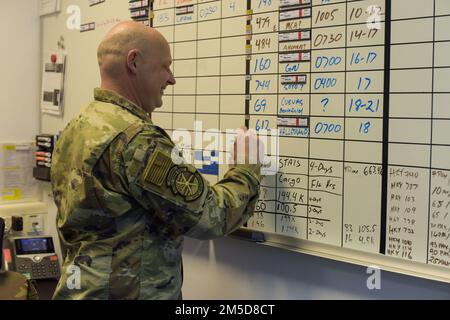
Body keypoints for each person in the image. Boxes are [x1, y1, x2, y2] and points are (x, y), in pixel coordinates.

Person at [50, 21, 263, 300]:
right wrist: (246, 167)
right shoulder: (137, 140)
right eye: (165, 66)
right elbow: (211, 216)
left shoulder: (80, 124)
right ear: (134, 62)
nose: (171, 78)